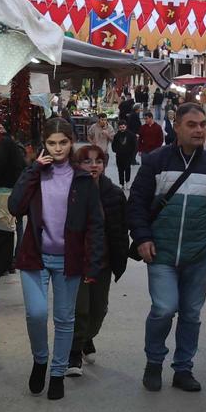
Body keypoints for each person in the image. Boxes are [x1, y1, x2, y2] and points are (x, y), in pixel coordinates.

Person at [129, 102, 206, 394]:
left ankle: (183, 368)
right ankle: (154, 361)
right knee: (164, 308)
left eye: (203, 124)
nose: (200, 129)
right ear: (176, 127)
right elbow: (137, 202)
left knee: (191, 313)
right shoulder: (155, 161)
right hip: (160, 251)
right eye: (192, 124)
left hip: (199, 254)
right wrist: (142, 238)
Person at [8, 125, 105, 401]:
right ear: (44, 144)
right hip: (34, 256)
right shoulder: (36, 174)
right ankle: (40, 360)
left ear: (71, 142)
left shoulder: (83, 179)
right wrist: (32, 169)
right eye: (51, 143)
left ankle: (58, 373)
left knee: (65, 319)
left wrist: (93, 263)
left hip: (69, 259)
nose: (58, 148)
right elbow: (15, 206)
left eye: (63, 142)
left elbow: (95, 224)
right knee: (36, 313)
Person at [65, 142, 131, 375]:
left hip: (103, 262)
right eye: (87, 161)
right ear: (77, 164)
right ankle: (74, 353)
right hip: (78, 262)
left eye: (98, 161)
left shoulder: (113, 193)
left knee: (99, 310)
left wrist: (122, 255)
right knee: (80, 309)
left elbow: (121, 229)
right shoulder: (70, 190)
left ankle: (86, 338)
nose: (93, 165)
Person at [111, 116, 140, 187]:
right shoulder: (116, 135)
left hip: (128, 156)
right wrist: (116, 150)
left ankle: (127, 182)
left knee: (127, 169)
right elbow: (113, 145)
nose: (122, 129)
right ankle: (121, 184)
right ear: (118, 127)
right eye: (120, 127)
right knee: (120, 170)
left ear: (126, 126)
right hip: (119, 156)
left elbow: (135, 145)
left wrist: (132, 155)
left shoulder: (131, 135)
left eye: (123, 127)